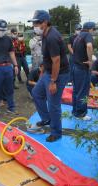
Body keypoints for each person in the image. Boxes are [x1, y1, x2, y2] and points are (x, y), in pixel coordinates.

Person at [28, 10, 70, 142]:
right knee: (36, 93)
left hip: (59, 74)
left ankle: (56, 132)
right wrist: (43, 75)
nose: (34, 25)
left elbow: (56, 61)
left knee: (53, 104)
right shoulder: (45, 34)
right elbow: (47, 59)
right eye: (34, 23)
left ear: (45, 22)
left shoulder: (51, 37)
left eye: (37, 22)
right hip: (48, 72)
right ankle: (46, 119)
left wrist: (53, 81)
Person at [71, 22, 96, 121]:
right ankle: (80, 114)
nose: (94, 32)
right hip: (82, 68)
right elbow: (89, 46)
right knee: (83, 91)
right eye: (94, 29)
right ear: (90, 29)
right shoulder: (87, 35)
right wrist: (90, 60)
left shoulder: (78, 36)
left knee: (76, 90)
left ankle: (75, 111)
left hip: (75, 66)